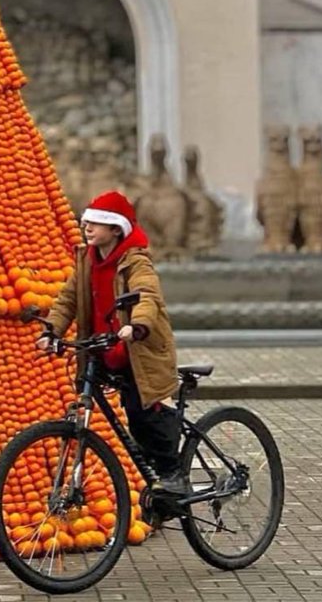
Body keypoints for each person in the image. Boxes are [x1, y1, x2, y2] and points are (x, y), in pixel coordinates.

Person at [39, 189, 187, 494]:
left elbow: (147, 296)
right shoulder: (86, 260)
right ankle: (149, 473)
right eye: (86, 222)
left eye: (96, 223)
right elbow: (68, 300)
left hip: (136, 349)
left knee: (142, 412)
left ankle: (174, 473)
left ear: (116, 229)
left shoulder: (135, 262)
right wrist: (51, 331)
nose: (86, 227)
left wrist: (138, 325)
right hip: (102, 347)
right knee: (96, 400)